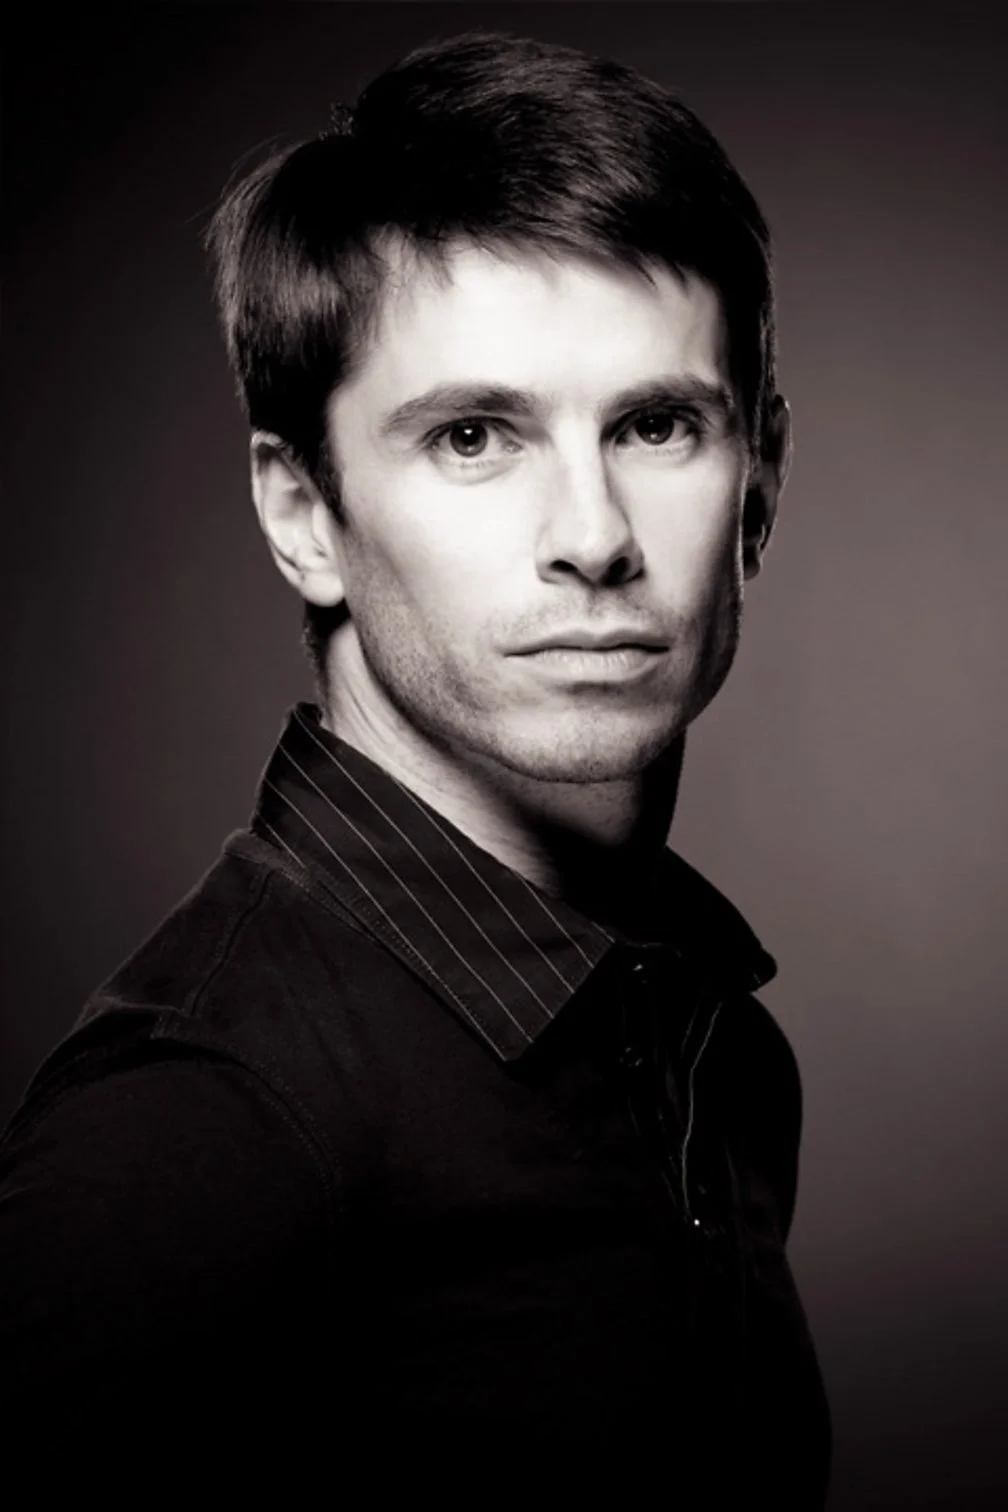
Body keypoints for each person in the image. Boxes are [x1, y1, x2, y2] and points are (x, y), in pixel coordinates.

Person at [0, 30, 831, 1499]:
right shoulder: (195, 1124)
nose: (593, 534)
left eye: (655, 425)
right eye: (472, 436)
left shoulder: (715, 1053)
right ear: (301, 513)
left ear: (759, 481)